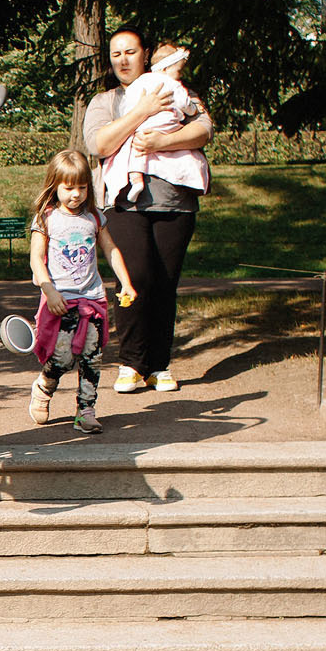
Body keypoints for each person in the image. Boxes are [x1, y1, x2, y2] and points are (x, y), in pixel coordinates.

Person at [82, 27, 214, 394]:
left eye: (130, 52)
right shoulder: (105, 101)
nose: (122, 60)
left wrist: (163, 141)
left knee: (164, 283)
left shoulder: (174, 87)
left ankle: (159, 364)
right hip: (124, 203)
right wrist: (142, 111)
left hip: (176, 202)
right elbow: (99, 144)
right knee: (134, 276)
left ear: (146, 54)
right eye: (115, 54)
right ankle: (131, 362)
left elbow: (204, 129)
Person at [27, 148, 137, 433]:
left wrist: (125, 281)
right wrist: (49, 291)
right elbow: (36, 258)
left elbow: (110, 249)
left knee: (92, 355)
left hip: (92, 297)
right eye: (68, 187)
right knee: (62, 357)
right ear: (55, 186)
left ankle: (86, 409)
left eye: (82, 187)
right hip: (61, 299)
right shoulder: (46, 218)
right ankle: (45, 386)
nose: (75, 194)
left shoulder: (95, 218)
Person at [102, 42, 208, 210]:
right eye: (178, 71)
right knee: (185, 154)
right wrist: (195, 109)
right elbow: (185, 104)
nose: (179, 76)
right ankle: (191, 178)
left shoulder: (141, 82)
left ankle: (135, 179)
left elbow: (128, 103)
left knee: (136, 149)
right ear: (165, 68)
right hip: (166, 124)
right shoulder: (173, 85)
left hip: (142, 127)